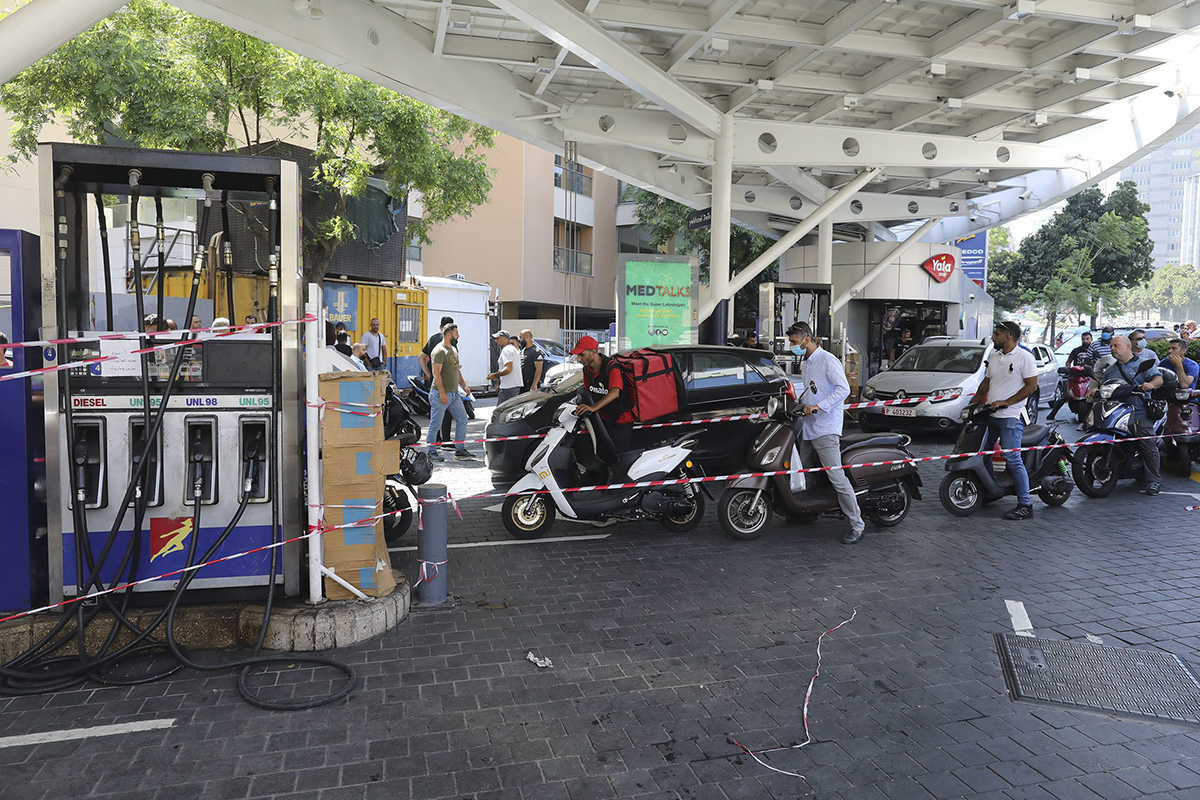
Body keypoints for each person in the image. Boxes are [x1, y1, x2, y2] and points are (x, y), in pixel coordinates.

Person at [788, 322, 865, 545]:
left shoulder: (828, 360)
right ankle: (808, 511)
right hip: (809, 427)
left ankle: (857, 524)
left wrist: (819, 406)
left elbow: (844, 389)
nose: (792, 346)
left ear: (807, 339)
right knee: (803, 472)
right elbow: (811, 390)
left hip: (826, 428)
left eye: (794, 342)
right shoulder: (807, 363)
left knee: (837, 477)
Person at [976, 321, 1040, 521]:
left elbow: (1031, 387)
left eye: (996, 334)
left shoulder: (1024, 357)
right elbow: (986, 383)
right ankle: (990, 490)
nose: (993, 337)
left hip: (1012, 416)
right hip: (992, 415)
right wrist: (972, 404)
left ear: (1008, 336)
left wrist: (1007, 402)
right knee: (981, 454)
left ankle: (1025, 505)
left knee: (1013, 459)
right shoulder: (995, 356)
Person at [1097, 335, 1164, 495]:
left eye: (1116, 345)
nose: (1112, 348)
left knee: (1147, 444)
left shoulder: (1143, 364)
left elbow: (1158, 379)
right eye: (1111, 346)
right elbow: (1103, 386)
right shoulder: (1111, 370)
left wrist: (1150, 384)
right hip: (1117, 412)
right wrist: (1094, 391)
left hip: (1139, 411)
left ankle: (1154, 480)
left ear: (1128, 346)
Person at [571, 335, 634, 454]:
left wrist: (593, 407)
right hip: (602, 419)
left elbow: (615, 392)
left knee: (617, 456)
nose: (578, 359)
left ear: (593, 352)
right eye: (577, 355)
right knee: (601, 455)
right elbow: (587, 391)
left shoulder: (611, 367)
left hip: (620, 420)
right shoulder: (587, 369)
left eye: (582, 354)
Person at [427, 323, 475, 461]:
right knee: (435, 424)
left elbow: (456, 370)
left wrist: (464, 386)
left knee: (462, 419)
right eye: (456, 333)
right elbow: (436, 373)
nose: (458, 335)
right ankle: (431, 452)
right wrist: (442, 392)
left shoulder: (453, 350)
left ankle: (459, 450)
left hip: (454, 394)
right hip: (440, 393)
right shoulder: (439, 351)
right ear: (449, 334)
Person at [1047, 332, 1093, 421]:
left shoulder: (1094, 351)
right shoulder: (1076, 350)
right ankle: (1052, 414)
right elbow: (1069, 361)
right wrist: (1069, 370)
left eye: (1087, 339)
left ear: (1091, 339)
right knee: (1065, 395)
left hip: (1089, 377)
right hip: (1075, 376)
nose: (1085, 341)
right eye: (1083, 339)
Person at [487, 330, 523, 404]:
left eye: (497, 338)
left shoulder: (506, 350)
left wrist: (494, 375)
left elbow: (509, 369)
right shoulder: (513, 349)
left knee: (500, 412)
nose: (495, 341)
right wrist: (498, 382)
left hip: (508, 387)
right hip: (514, 386)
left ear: (504, 338)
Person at [420, 316, 454, 380]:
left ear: (440, 326)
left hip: (434, 378)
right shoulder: (451, 340)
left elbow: (420, 357)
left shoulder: (432, 339)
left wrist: (428, 374)